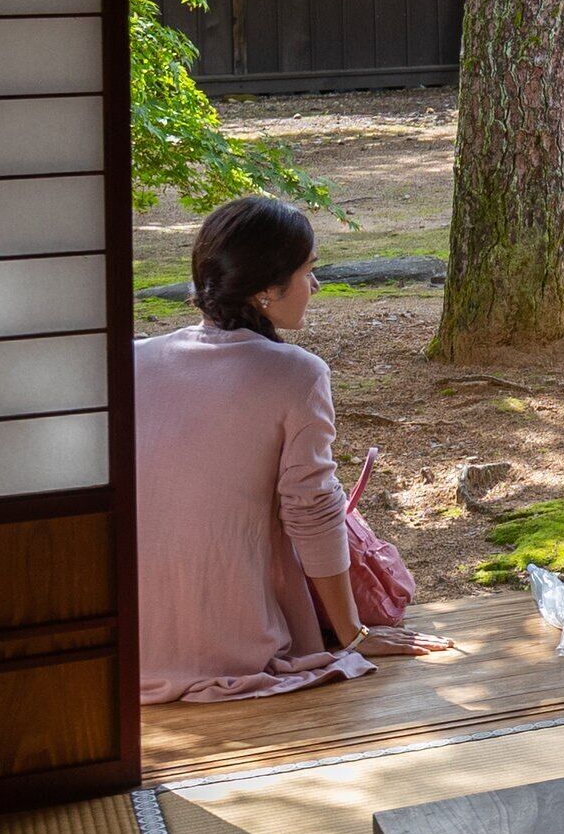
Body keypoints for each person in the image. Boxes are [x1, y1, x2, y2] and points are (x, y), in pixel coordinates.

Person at [134, 196, 448, 704]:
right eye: (309, 271)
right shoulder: (296, 373)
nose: (316, 286)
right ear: (265, 289)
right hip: (233, 639)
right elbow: (313, 514)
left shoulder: (135, 359)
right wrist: (354, 634)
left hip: (129, 638)